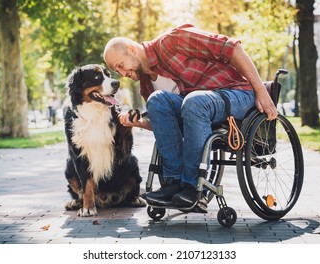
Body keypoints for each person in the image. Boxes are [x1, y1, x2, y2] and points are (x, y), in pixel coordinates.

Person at [103, 24, 277, 209]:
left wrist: (261, 90)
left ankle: (193, 187)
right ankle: (174, 183)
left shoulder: (173, 40)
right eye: (118, 71)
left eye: (121, 65)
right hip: (199, 107)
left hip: (236, 94)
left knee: (194, 100)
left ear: (131, 49)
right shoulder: (146, 85)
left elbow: (231, 47)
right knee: (157, 100)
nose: (122, 74)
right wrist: (140, 123)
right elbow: (167, 127)